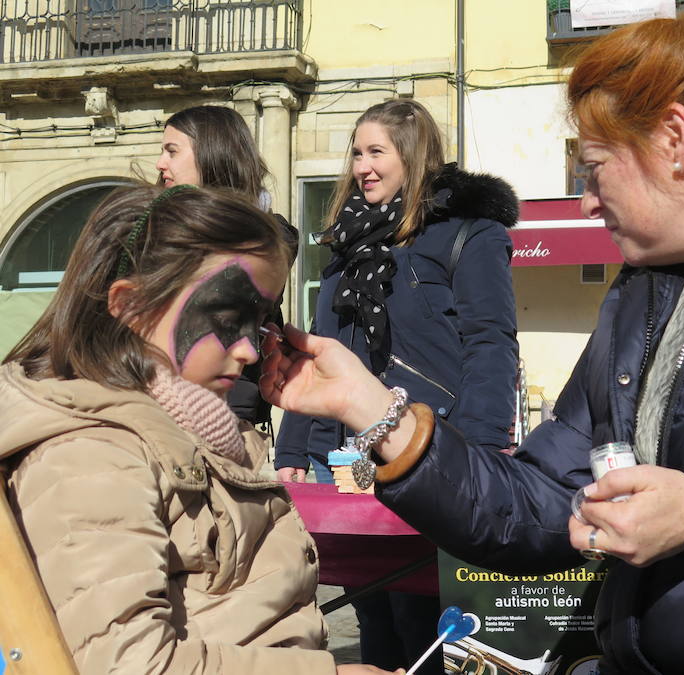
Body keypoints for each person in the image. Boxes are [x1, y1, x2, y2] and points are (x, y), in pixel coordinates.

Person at [260, 7, 684, 674]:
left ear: (674, 140)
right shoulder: (646, 295)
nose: (588, 201)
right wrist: (373, 410)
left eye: (593, 166)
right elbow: (535, 506)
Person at [0, 184, 396, 675]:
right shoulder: (88, 456)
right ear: (130, 306)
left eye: (260, 325)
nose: (251, 350)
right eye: (229, 318)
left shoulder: (203, 431)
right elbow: (128, 666)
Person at [274, 98, 520, 673]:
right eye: (355, 152)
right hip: (344, 457)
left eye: (375, 151)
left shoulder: (469, 235)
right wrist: (291, 450)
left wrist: (482, 449)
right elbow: (317, 356)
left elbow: (491, 343)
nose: (361, 165)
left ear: (413, 155)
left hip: (428, 449)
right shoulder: (345, 252)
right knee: (370, 607)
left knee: (423, 613)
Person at [157, 104, 299, 430]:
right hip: (155, 399)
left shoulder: (268, 237)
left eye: (172, 151)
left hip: (225, 405)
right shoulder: (154, 226)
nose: (161, 163)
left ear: (212, 154)